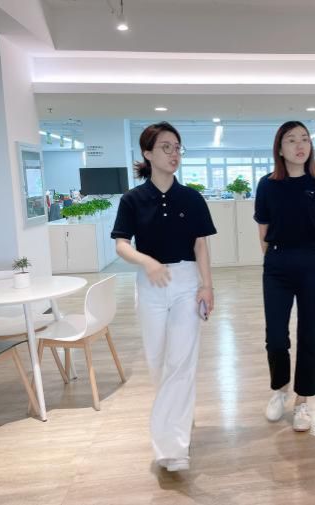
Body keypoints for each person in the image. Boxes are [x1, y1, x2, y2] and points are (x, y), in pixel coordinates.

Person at [111, 121, 216, 472]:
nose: (174, 154)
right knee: (158, 360)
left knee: (182, 361)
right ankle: (178, 416)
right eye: (165, 147)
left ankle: (172, 449)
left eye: (177, 147)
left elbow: (201, 245)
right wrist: (147, 262)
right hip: (150, 283)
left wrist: (207, 285)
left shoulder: (192, 198)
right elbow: (121, 244)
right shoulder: (132, 199)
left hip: (186, 281)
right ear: (148, 153)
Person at [254, 121, 315, 432]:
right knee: (276, 336)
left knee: (308, 333)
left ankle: (303, 400)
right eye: (291, 140)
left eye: (304, 139)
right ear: (279, 148)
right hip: (277, 264)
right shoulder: (267, 184)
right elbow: (263, 229)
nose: (300, 145)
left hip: (312, 262)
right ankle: (280, 389)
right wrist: (274, 258)